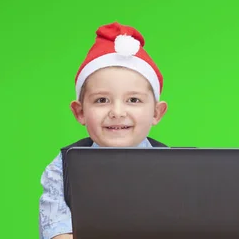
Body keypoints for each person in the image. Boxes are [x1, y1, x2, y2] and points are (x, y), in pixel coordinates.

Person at [38, 22, 169, 239]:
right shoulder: (63, 168)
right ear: (80, 112)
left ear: (156, 113)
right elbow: (59, 232)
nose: (117, 112)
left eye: (133, 100)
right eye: (102, 100)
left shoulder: (175, 166)